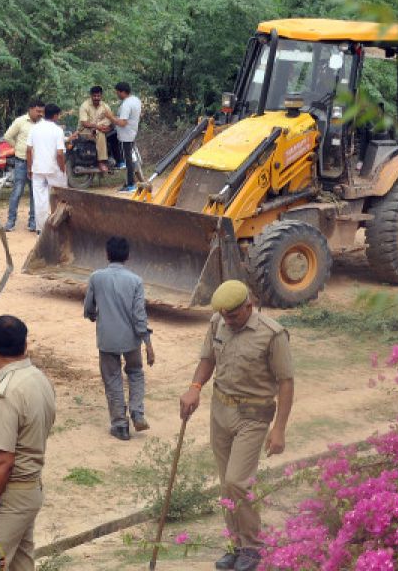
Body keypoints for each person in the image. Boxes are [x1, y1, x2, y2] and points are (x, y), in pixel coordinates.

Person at [178, 280, 295, 571]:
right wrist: (194, 387)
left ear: (248, 307)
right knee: (225, 484)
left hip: (253, 415)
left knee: (237, 482)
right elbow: (207, 359)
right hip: (220, 411)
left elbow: (286, 383)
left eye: (233, 315)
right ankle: (236, 545)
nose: (228, 320)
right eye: (224, 315)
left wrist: (279, 428)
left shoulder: (272, 334)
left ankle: (253, 547)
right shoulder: (218, 322)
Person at [0, 315, 57, 571]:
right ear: (25, 344)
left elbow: (5, 461)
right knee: (21, 565)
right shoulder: (39, 379)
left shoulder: (8, 393)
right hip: (30, 489)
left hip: (14, 495)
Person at [84, 237, 154, 441]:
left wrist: (93, 316)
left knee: (112, 379)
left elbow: (89, 307)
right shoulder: (136, 281)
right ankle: (137, 412)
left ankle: (120, 425)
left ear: (107, 254)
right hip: (131, 339)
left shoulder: (96, 277)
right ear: (128, 256)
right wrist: (148, 344)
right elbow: (139, 315)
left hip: (107, 339)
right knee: (135, 372)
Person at [2, 100, 44, 231]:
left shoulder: (43, 124)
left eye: (42, 111)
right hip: (21, 161)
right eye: (38, 111)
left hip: (37, 163)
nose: (40, 114)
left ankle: (33, 223)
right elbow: (8, 136)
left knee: (34, 193)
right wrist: (18, 148)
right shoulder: (20, 121)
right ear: (30, 109)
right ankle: (10, 222)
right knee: (17, 192)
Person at [25, 103, 66, 225]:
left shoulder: (34, 128)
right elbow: (59, 153)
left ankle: (41, 229)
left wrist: (29, 168)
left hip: (37, 169)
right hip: (54, 168)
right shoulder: (57, 130)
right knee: (60, 198)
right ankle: (59, 225)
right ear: (55, 116)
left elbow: (28, 150)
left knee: (40, 200)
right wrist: (63, 169)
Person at [112, 82, 142, 192]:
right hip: (132, 132)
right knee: (129, 159)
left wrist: (110, 117)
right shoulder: (136, 100)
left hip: (126, 135)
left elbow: (123, 122)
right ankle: (131, 181)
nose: (117, 94)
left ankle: (130, 184)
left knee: (127, 160)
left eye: (117, 92)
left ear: (122, 92)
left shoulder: (126, 104)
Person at [77, 86, 115, 173]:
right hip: (84, 131)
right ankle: (101, 161)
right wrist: (98, 127)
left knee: (109, 126)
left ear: (101, 96)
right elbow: (84, 123)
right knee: (99, 132)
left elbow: (112, 120)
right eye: (94, 96)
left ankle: (113, 158)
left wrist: (108, 129)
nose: (96, 98)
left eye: (98, 96)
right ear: (91, 96)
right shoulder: (84, 106)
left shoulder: (105, 106)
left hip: (100, 129)